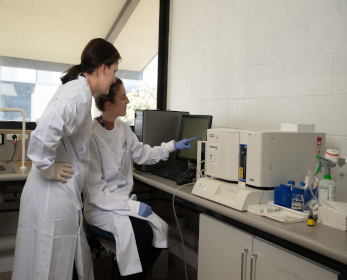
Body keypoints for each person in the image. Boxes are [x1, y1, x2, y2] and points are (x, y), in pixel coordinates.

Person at [12, 38, 121, 280]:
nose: (114, 78)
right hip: (52, 196)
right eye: (114, 71)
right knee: (48, 266)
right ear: (103, 68)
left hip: (56, 196)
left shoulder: (79, 91)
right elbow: (42, 136)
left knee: (50, 264)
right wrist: (49, 169)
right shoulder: (78, 95)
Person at [83, 77, 196, 279]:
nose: (128, 101)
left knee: (161, 228)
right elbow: (97, 194)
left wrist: (172, 146)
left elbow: (143, 154)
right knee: (142, 234)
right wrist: (134, 208)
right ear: (109, 105)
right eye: (123, 97)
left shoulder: (124, 129)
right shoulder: (92, 136)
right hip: (101, 207)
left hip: (124, 204)